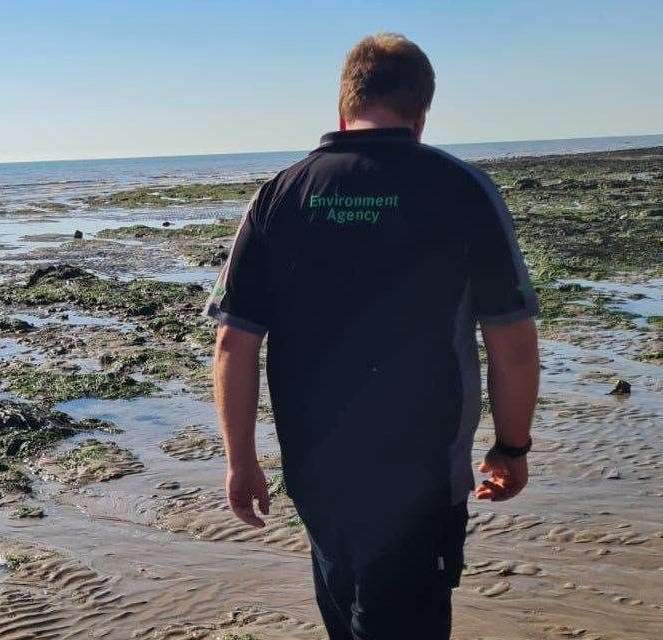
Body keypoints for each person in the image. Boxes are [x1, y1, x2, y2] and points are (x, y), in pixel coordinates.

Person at [205, 33, 540, 640]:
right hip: (421, 478)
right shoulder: (461, 189)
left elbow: (235, 344)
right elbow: (511, 340)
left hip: (317, 474)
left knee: (352, 615)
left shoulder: (281, 194)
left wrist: (241, 462)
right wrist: (511, 448)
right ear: (421, 111)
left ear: (342, 106)